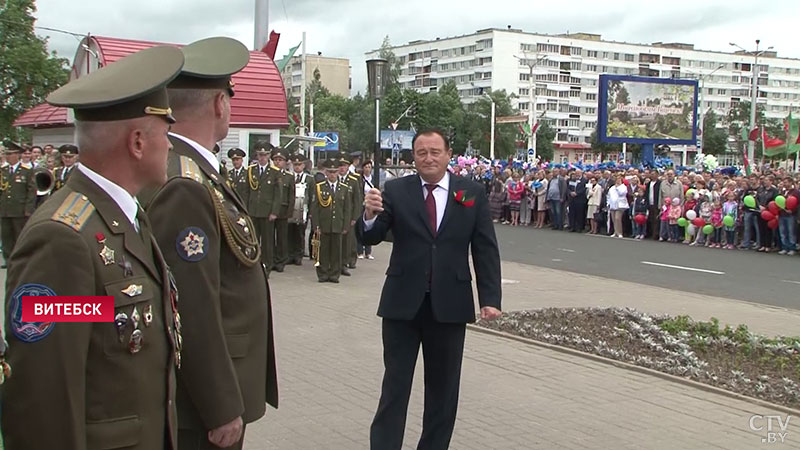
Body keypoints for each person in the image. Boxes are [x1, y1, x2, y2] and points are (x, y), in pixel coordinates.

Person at [2, 45, 184, 450]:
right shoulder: (62, 239)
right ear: (137, 142)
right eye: (166, 134)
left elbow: (99, 324)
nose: (171, 147)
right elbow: (41, 404)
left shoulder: (124, 216)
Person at [140, 37, 278, 450]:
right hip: (201, 405)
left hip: (210, 390)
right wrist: (219, 405)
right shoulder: (185, 183)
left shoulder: (193, 172)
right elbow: (192, 304)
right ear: (220, 104)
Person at [360, 128, 502, 450]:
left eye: (435, 151)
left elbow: (485, 248)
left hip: (450, 306)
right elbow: (371, 236)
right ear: (413, 157)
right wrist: (369, 215)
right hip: (401, 306)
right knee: (395, 387)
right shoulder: (396, 190)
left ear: (448, 154)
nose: (428, 158)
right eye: (421, 152)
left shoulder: (471, 192)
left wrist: (490, 298)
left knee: (443, 391)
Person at [311, 158, 352, 283]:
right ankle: (322, 274)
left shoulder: (344, 188)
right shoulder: (319, 187)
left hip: (337, 224)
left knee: (336, 251)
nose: (332, 175)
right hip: (324, 224)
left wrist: (345, 225)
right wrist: (316, 225)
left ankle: (334, 274)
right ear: (326, 173)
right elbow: (315, 208)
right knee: (322, 251)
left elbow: (347, 209)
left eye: (334, 172)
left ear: (338, 172)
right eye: (329, 172)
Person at [247, 145, 283, 275]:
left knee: (267, 241)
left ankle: (267, 266)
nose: (262, 158)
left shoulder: (275, 172)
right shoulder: (251, 171)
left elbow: (278, 194)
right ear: (257, 156)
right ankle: (254, 265)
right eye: (260, 155)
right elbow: (247, 191)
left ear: (269, 156)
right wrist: (246, 209)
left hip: (267, 211)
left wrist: (274, 211)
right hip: (253, 210)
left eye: (265, 155)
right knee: (253, 239)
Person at [0, 141, 36, 268]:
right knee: (6, 238)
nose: (7, 157)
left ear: (17, 155)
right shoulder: (3, 171)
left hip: (19, 210)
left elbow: (31, 192)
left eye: (10, 154)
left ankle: (20, 261)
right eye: (6, 154)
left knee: (19, 237)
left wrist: (28, 210)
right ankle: (8, 260)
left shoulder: (26, 171)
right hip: (5, 210)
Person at [272, 147, 294, 272]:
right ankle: (271, 259)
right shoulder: (269, 175)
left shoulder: (289, 177)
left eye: (280, 160)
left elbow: (291, 195)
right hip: (270, 211)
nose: (278, 162)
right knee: (270, 237)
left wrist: (289, 211)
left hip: (283, 210)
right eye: (275, 159)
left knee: (281, 237)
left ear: (285, 162)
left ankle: (281, 260)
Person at [288, 153, 312, 265]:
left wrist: (310, 211)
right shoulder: (288, 176)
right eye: (295, 164)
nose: (297, 167)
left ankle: (299, 255)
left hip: (303, 209)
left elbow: (312, 196)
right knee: (289, 232)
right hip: (290, 209)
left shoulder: (309, 179)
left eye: (299, 164)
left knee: (300, 233)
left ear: (303, 165)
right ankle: (290, 254)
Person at [358, 160, 375, 259]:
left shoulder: (373, 178)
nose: (368, 169)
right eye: (366, 167)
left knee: (369, 227)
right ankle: (359, 251)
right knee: (360, 227)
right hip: (362, 204)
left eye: (369, 167)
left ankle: (368, 252)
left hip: (370, 205)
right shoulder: (360, 179)